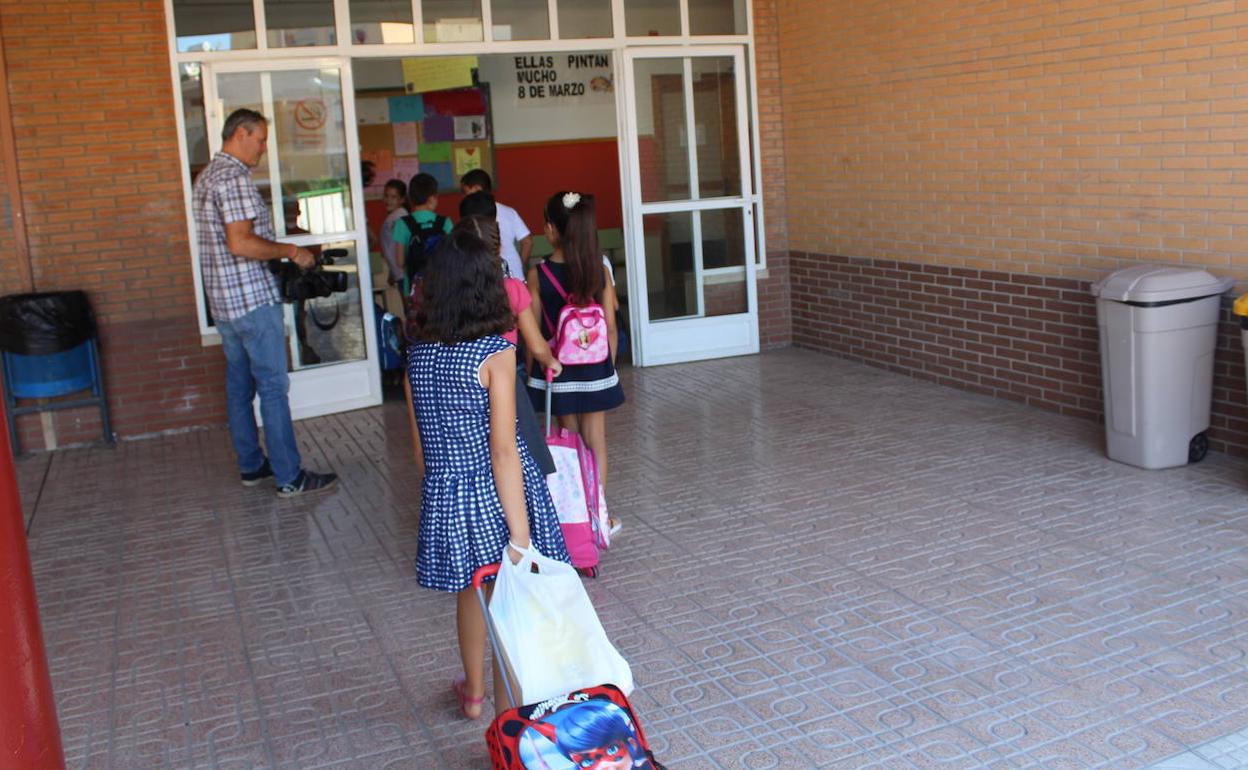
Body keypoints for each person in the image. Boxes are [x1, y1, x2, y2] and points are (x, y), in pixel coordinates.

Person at [407, 227, 570, 720]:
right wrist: (520, 532)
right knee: (509, 611)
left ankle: (473, 693)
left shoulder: (418, 354)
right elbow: (503, 449)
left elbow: (420, 451)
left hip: (446, 492)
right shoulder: (494, 354)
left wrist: (446, 480)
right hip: (497, 497)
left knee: (471, 592)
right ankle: (508, 725)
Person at [192, 108, 337, 498]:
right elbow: (240, 242)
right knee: (272, 388)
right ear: (241, 134)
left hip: (223, 305)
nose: (262, 149)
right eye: (260, 140)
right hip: (251, 302)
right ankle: (290, 475)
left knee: (239, 387)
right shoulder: (234, 177)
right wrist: (291, 250)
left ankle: (252, 465)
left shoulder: (206, 176)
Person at [527, 191, 624, 534]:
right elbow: (611, 326)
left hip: (559, 369)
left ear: (553, 230)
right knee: (596, 436)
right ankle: (600, 512)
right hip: (596, 368)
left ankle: (575, 516)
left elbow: (535, 330)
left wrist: (532, 371)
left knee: (569, 439)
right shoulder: (599, 269)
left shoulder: (539, 274)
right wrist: (605, 367)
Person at [458, 198, 561, 476]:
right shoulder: (512, 288)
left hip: (464, 384)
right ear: (499, 247)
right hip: (504, 382)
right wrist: (551, 361)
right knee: (516, 451)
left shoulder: (451, 291)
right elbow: (537, 345)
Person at [461, 169, 531, 281]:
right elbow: (527, 241)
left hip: (487, 279)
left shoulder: (471, 215)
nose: (463, 197)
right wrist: (521, 264)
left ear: (477, 189)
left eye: (464, 192)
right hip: (515, 273)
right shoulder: (509, 211)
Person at [392, 172, 452, 299]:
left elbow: (400, 261)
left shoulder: (402, 224)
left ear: (410, 198)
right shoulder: (445, 222)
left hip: (415, 289)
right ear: (432, 198)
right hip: (443, 287)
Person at [378, 178, 408, 285]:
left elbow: (404, 242)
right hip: (399, 272)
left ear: (402, 200)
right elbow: (392, 245)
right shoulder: (394, 216)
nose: (388, 200)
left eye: (393, 197)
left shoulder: (399, 216)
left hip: (403, 273)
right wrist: (392, 272)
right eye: (386, 196)